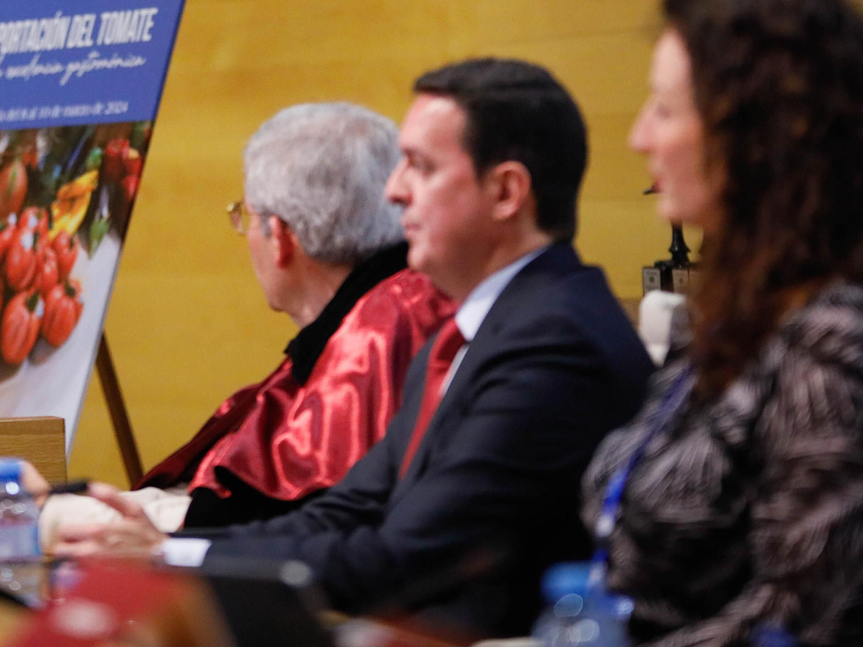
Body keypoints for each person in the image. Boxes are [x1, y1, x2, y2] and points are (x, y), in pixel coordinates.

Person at [53, 59, 653, 640]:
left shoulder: (554, 344)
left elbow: (400, 559)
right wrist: (165, 550)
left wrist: (171, 558)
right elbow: (345, 511)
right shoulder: (474, 326)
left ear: (506, 192)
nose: (394, 192)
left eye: (418, 167)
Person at [0, 103, 454, 544]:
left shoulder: (374, 336)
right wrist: (53, 504)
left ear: (278, 238)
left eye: (244, 216)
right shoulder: (399, 305)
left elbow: (267, 521)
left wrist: (53, 513)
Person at [582, 0, 863, 647]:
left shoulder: (832, 340)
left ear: (769, 130)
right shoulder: (730, 312)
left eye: (666, 110)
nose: (638, 137)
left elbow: (802, 617)